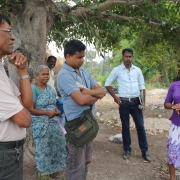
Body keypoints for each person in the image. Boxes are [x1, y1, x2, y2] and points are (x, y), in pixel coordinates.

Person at [57, 39, 105, 180]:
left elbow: (102, 92)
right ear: (68, 56)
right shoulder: (64, 75)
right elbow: (82, 100)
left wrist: (87, 91)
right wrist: (93, 94)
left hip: (87, 122)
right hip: (76, 126)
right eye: (79, 57)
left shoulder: (84, 72)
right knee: (75, 165)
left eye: (83, 57)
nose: (82, 60)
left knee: (85, 162)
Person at [0, 14, 32, 180]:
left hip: (10, 152)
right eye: (8, 31)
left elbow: (27, 104)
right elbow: (25, 119)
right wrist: (22, 111)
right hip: (4, 154)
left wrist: (22, 70)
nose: (13, 37)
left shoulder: (1, 69)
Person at [105, 48, 151, 162]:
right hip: (123, 103)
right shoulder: (117, 70)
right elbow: (107, 84)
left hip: (136, 102)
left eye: (130, 56)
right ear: (122, 57)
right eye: (126, 56)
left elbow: (142, 86)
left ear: (132, 57)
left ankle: (144, 151)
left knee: (140, 127)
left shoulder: (137, 70)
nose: (128, 59)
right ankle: (127, 150)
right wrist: (115, 97)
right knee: (125, 127)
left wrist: (143, 102)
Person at [29, 65, 66, 179]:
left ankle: (54, 170)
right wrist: (46, 113)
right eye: (43, 74)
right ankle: (44, 172)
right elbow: (31, 109)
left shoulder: (50, 88)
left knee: (58, 144)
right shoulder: (33, 88)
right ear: (37, 76)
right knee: (43, 148)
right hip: (40, 123)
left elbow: (54, 103)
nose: (46, 76)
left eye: (47, 74)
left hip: (55, 121)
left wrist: (56, 109)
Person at [164, 81, 180, 180]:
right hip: (176, 125)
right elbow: (166, 103)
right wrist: (174, 106)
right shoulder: (175, 85)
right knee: (172, 152)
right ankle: (172, 178)